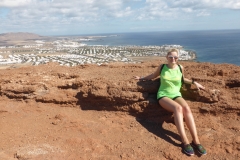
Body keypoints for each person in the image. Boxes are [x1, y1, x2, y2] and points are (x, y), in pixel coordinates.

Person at [134, 48, 207, 156]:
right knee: (178, 108)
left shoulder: (180, 67)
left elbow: (183, 79)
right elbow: (153, 76)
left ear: (178, 58)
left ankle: (196, 141)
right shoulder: (162, 67)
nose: (173, 59)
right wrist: (141, 78)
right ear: (167, 57)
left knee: (186, 108)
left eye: (175, 57)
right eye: (171, 57)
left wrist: (194, 82)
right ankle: (185, 141)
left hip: (176, 94)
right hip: (163, 95)